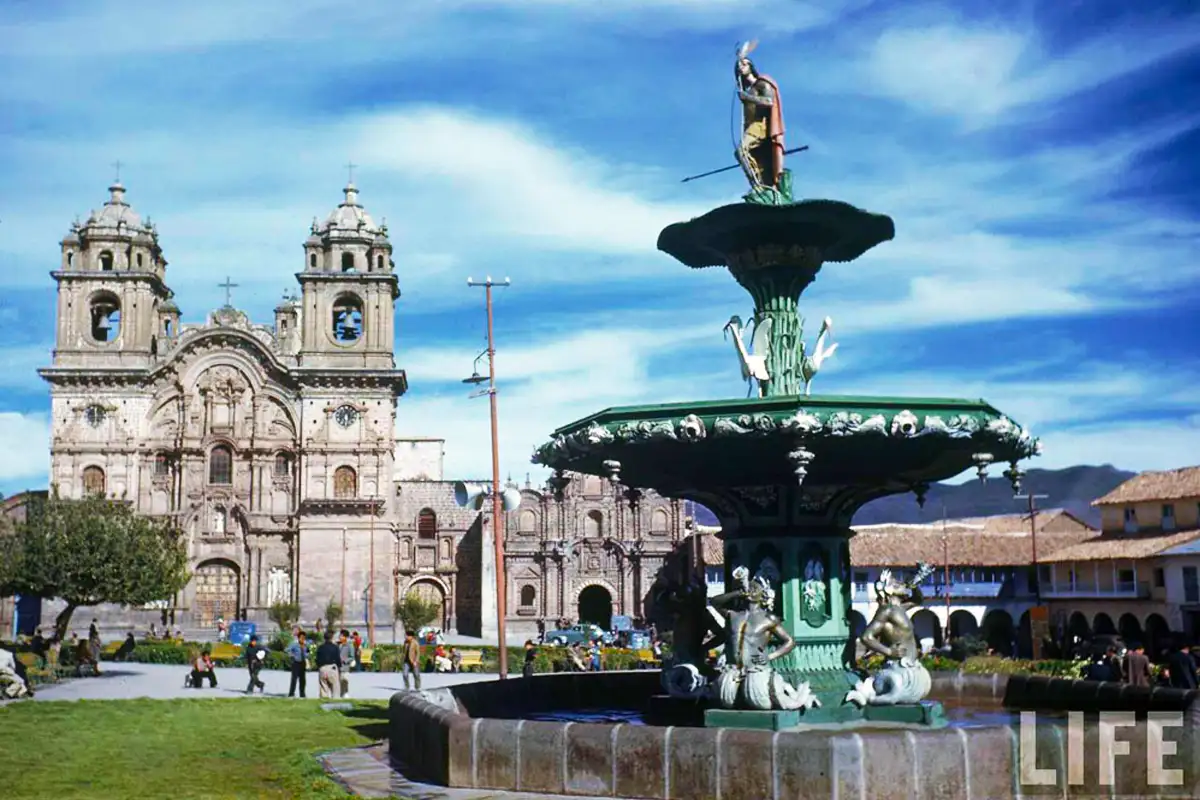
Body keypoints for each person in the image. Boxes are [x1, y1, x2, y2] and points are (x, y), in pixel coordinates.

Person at [734, 42, 786, 190]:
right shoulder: (747, 90)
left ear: (751, 66)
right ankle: (762, 184)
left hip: (760, 125)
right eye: (739, 66)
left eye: (744, 64)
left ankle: (757, 185)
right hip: (751, 127)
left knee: (741, 151)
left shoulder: (762, 83)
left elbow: (769, 102)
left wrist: (748, 98)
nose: (741, 67)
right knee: (755, 158)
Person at [315, 631, 342, 699]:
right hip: (332, 668)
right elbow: (338, 659)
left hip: (322, 668)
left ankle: (324, 701)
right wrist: (339, 667)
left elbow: (317, 659)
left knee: (323, 688)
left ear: (324, 638)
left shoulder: (320, 647)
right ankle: (335, 702)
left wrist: (319, 667)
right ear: (332, 638)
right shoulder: (335, 647)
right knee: (335, 689)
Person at [286, 631, 308, 698]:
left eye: (304, 638)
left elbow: (307, 652)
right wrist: (292, 655)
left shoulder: (305, 645)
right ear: (298, 638)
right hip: (296, 663)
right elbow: (287, 650)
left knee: (303, 680)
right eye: (301, 638)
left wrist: (307, 656)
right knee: (294, 679)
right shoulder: (294, 644)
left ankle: (302, 694)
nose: (302, 639)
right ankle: (291, 693)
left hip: (303, 663)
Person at [338, 630, 354, 697]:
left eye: (341, 636)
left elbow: (352, 657)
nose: (339, 637)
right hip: (338, 667)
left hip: (345, 667)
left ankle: (346, 693)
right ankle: (341, 694)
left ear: (345, 637)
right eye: (339, 635)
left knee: (345, 681)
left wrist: (345, 660)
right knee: (339, 682)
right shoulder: (339, 645)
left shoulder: (349, 645)